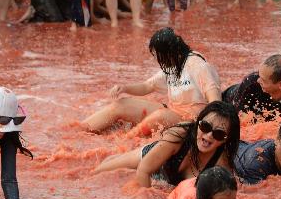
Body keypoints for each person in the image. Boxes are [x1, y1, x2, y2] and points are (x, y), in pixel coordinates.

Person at [84, 27, 222, 134]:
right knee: (121, 104)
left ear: (169, 52)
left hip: (190, 119)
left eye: (157, 55)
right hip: (171, 111)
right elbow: (147, 86)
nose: (156, 59)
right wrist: (124, 88)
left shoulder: (197, 65)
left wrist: (207, 126)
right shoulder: (174, 63)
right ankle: (82, 129)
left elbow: (215, 99)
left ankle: (122, 143)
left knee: (158, 116)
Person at [95, 101, 240, 188]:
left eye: (219, 134)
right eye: (205, 126)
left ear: (226, 139)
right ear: (198, 123)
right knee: (98, 173)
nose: (208, 136)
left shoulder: (221, 163)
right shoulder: (180, 133)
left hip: (168, 183)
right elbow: (144, 170)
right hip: (154, 158)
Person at [223, 54, 281, 120]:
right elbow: (236, 121)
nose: (258, 80)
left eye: (263, 80)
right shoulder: (251, 84)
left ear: (280, 84)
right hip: (227, 98)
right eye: (259, 75)